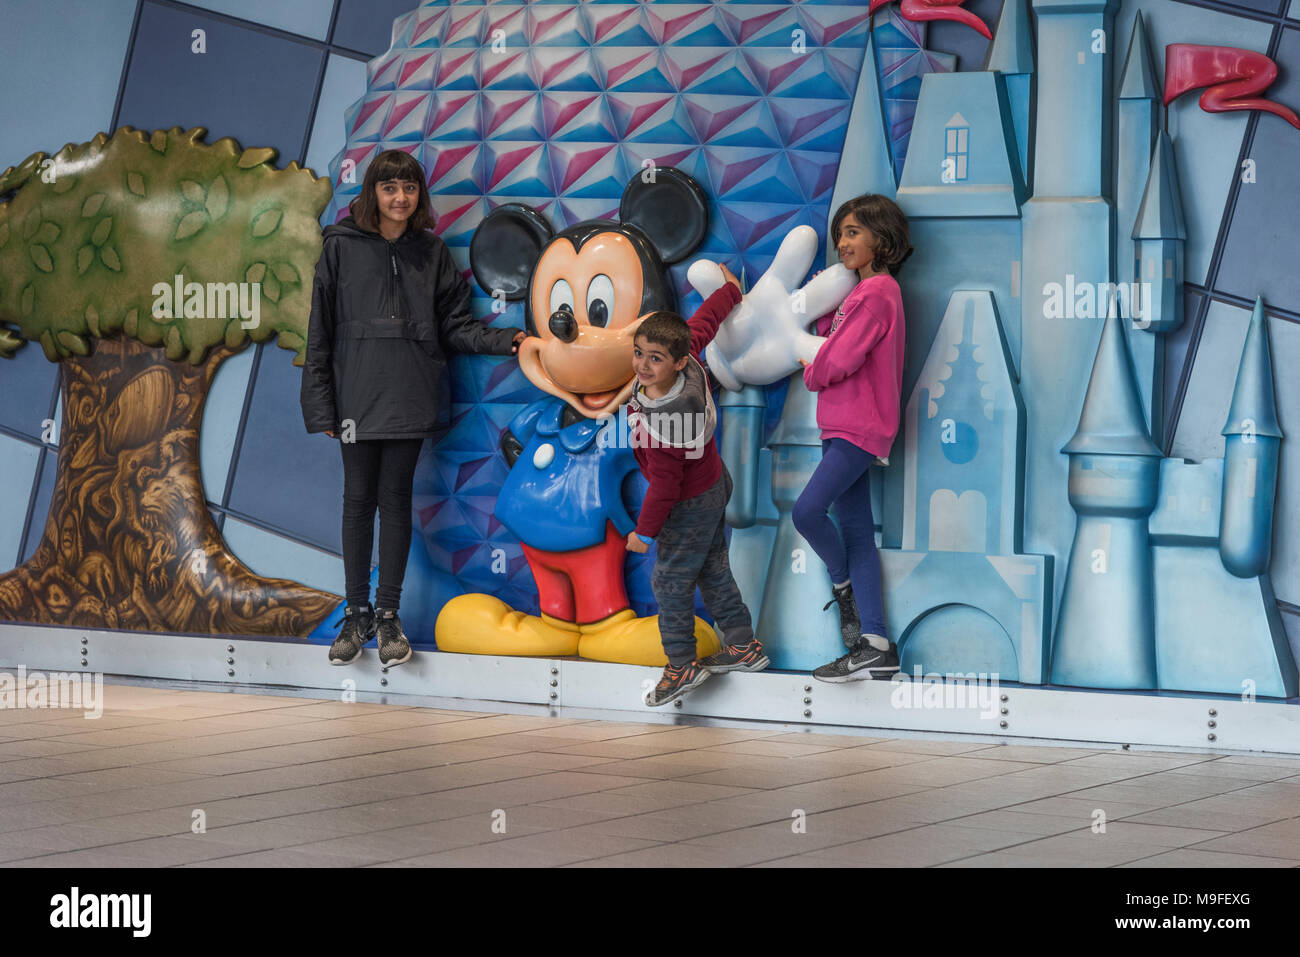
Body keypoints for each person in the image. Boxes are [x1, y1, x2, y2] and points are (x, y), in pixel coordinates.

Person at [300, 149, 525, 668]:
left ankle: (387, 616)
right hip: (355, 396)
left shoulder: (433, 252)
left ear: (418, 194)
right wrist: (322, 405)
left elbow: (454, 326)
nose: (400, 198)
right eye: (389, 187)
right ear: (371, 193)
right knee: (358, 500)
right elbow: (320, 331)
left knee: (395, 499)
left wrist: (509, 340)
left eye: (409, 188)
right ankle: (355, 614)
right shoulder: (339, 247)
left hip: (410, 391)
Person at [625, 264, 768, 706]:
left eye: (655, 358)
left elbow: (665, 489)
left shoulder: (668, 421)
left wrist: (644, 534)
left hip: (687, 504)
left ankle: (680, 663)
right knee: (711, 569)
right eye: (639, 352)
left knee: (669, 582)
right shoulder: (689, 364)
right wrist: (729, 291)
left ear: (678, 362)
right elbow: (702, 325)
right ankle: (744, 645)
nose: (644, 365)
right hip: (711, 486)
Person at [793, 194, 912, 682]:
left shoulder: (878, 292)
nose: (841, 242)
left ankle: (841, 585)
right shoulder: (861, 295)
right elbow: (835, 336)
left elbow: (837, 360)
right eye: (840, 233)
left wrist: (812, 370)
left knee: (806, 512)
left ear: (880, 239)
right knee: (860, 533)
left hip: (858, 426)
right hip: (844, 425)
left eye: (853, 233)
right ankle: (877, 645)